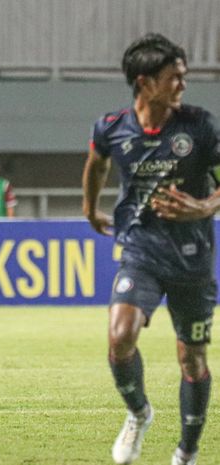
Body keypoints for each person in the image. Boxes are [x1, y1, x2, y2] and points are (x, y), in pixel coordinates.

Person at [83, 33, 219, 465]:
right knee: (120, 335)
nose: (182, 85)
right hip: (140, 250)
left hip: (192, 257)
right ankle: (139, 413)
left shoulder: (199, 125)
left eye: (184, 77)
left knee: (192, 358)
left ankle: (187, 452)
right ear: (145, 82)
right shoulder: (110, 127)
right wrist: (90, 209)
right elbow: (97, 164)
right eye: (174, 78)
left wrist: (205, 205)